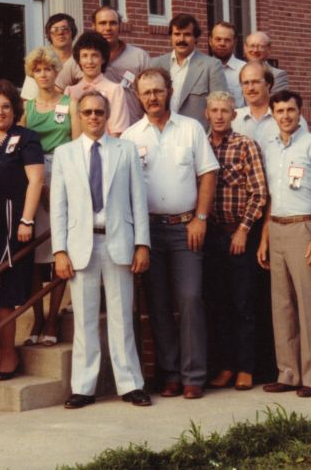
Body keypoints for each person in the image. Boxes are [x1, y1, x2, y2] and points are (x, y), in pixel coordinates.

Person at [121, 68, 219, 400]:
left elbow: (207, 174)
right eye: (146, 92)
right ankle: (171, 373)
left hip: (185, 228)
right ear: (138, 95)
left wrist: (201, 218)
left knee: (190, 298)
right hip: (149, 232)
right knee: (158, 304)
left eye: (158, 91)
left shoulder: (191, 129)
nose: (152, 97)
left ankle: (194, 375)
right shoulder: (131, 137)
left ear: (170, 91)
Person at [51, 91, 151, 409]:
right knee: (85, 319)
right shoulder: (64, 154)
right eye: (88, 112)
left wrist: (141, 244)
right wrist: (59, 251)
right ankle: (83, 387)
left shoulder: (125, 151)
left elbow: (139, 200)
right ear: (79, 116)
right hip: (82, 244)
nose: (94, 117)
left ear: (107, 116)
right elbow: (59, 208)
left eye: (99, 112)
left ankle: (130, 384)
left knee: (122, 316)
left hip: (117, 240)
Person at [257, 91, 311, 398]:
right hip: (276, 227)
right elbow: (271, 196)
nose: (285, 115)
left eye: (290, 110)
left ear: (300, 112)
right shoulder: (270, 147)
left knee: (310, 304)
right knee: (282, 305)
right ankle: (288, 372)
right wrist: (264, 236)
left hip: (305, 226)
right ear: (273, 115)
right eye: (279, 111)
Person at [0, 80, 44, 380]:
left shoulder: (26, 138)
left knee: (4, 290)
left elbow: (36, 181)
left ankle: (9, 356)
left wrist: (27, 220)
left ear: (15, 109)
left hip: (11, 217)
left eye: (5, 106)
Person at [202, 92, 267, 391]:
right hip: (211, 233)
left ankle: (245, 367)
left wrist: (243, 229)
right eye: (214, 110)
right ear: (206, 113)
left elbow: (259, 193)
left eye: (224, 111)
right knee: (218, 303)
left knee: (243, 301)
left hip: (239, 232)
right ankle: (226, 365)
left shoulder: (245, 146)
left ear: (232, 115)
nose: (218, 116)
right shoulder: (199, 145)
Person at [20, 46, 76, 347]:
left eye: (49, 69)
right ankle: (37, 317)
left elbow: (78, 144)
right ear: (32, 73)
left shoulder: (71, 104)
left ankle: (53, 317)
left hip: (63, 173)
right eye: (38, 70)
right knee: (31, 255)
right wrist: (37, 186)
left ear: (57, 72)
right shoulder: (25, 108)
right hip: (34, 176)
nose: (43, 74)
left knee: (58, 249)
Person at [149, 13, 228, 128]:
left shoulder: (211, 66)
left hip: (196, 136)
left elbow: (220, 107)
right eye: (177, 34)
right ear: (170, 37)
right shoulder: (156, 64)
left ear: (196, 38)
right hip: (161, 132)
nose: (181, 39)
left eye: (187, 35)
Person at [90, 5, 150, 123]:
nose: (108, 28)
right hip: (97, 128)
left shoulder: (139, 56)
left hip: (132, 127)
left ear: (120, 26)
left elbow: (151, 92)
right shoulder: (83, 59)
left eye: (113, 23)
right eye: (102, 23)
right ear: (93, 26)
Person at [64, 31, 130, 136]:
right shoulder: (70, 91)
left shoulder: (115, 90)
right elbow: (64, 130)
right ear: (79, 60)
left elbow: (117, 132)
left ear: (103, 59)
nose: (89, 61)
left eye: (95, 55)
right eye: (84, 56)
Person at [232, 62, 308, 146]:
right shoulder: (234, 119)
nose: (250, 88)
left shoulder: (289, 118)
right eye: (246, 83)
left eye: (256, 82)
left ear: (268, 84)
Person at [22, 13, 79, 99]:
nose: (60, 33)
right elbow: (27, 98)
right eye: (55, 30)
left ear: (72, 32)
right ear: (49, 34)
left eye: (65, 29)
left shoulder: (82, 61)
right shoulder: (39, 61)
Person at [208, 21, 245, 107]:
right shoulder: (202, 68)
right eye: (218, 39)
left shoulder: (244, 69)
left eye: (227, 40)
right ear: (210, 41)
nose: (222, 43)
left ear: (235, 43)